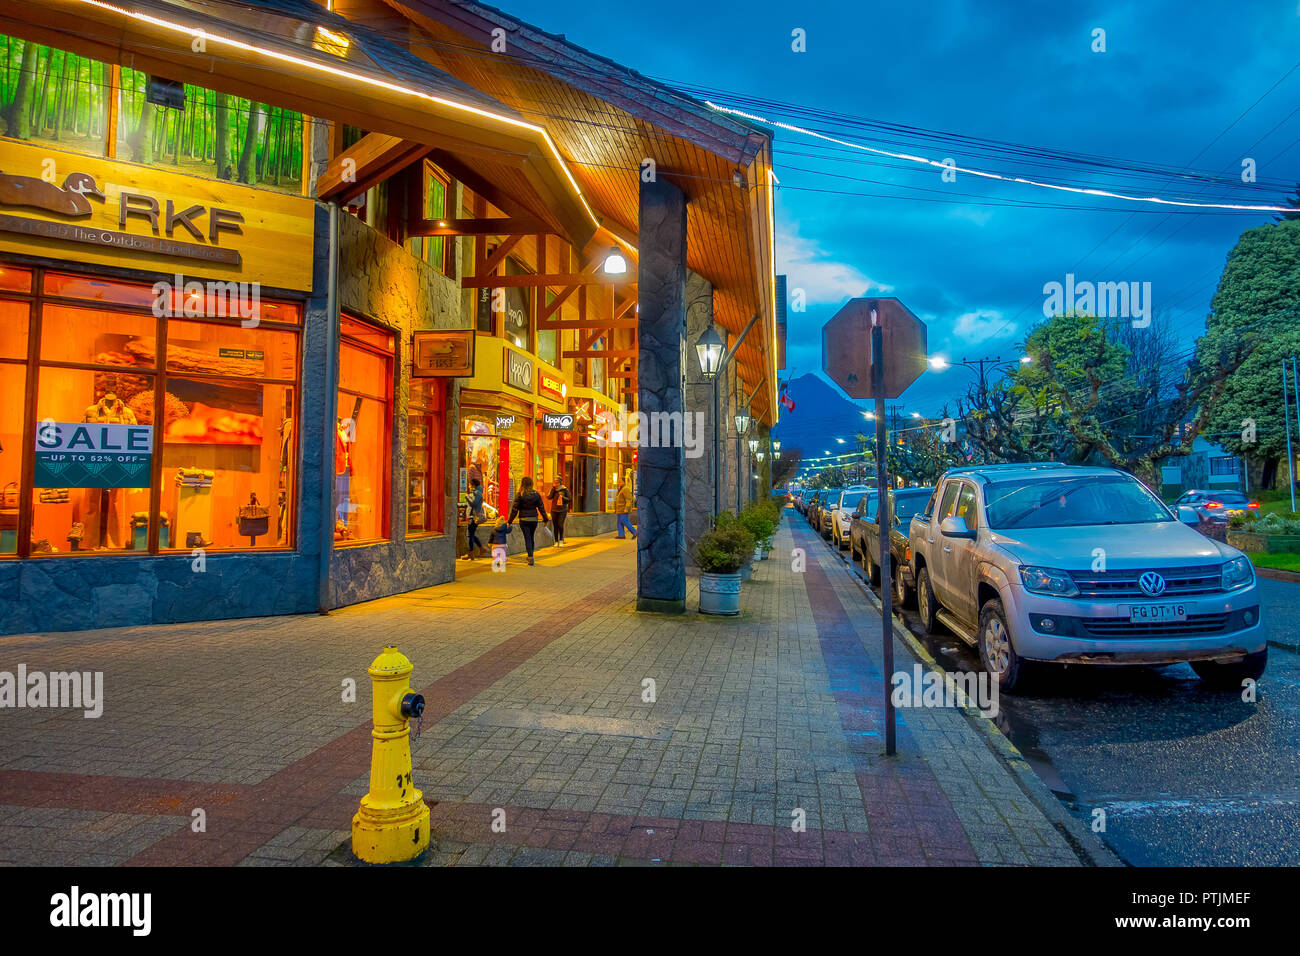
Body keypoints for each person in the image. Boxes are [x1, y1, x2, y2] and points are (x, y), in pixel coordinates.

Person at [507, 476, 549, 565]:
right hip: (534, 519)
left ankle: (530, 557)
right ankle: (531, 555)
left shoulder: (520, 494)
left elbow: (515, 509)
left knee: (527, 538)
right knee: (531, 537)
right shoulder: (536, 494)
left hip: (524, 520)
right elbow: (541, 507)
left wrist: (509, 521)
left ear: (523, 484)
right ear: (531, 484)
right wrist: (545, 519)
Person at [464, 477, 485, 560]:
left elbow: (474, 503)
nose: (469, 486)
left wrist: (467, 497)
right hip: (472, 516)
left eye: (470, 484)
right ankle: (480, 549)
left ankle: (471, 553)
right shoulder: (475, 493)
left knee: (470, 535)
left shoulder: (477, 493)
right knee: (471, 534)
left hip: (474, 517)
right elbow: (469, 505)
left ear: (473, 485)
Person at [548, 478, 572, 547]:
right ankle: (556, 541)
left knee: (560, 525)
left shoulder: (565, 490)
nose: (555, 483)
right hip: (554, 510)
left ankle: (561, 539)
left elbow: (569, 499)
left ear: (560, 483)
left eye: (557, 482)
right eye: (554, 482)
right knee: (555, 526)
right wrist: (552, 489)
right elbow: (549, 497)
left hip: (562, 510)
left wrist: (563, 498)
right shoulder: (553, 490)